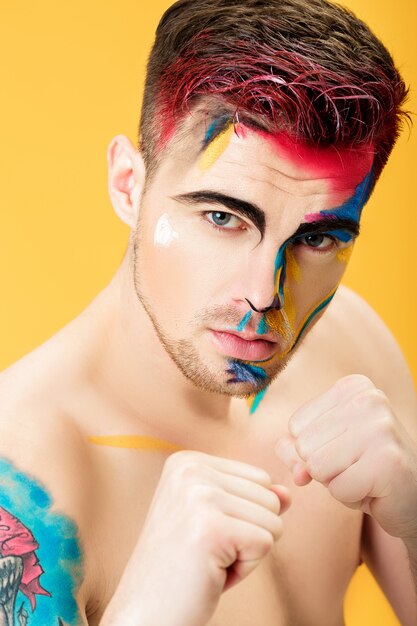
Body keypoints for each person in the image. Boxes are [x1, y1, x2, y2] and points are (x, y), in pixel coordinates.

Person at [0, 0, 416, 624]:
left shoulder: (351, 347)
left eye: (318, 238)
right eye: (222, 217)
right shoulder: (27, 480)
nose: (264, 296)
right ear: (128, 185)